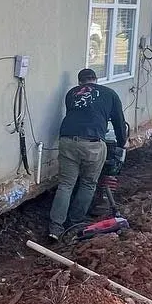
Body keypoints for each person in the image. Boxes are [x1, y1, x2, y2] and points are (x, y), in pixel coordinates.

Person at [48, 68, 128, 239]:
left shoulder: (71, 94)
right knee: (88, 183)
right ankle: (75, 222)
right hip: (92, 144)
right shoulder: (109, 93)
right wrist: (122, 144)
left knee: (66, 184)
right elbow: (119, 122)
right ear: (96, 79)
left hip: (67, 141)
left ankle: (55, 227)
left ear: (79, 82)